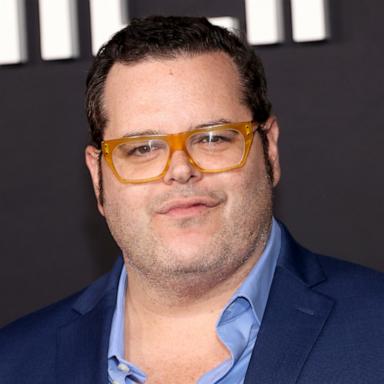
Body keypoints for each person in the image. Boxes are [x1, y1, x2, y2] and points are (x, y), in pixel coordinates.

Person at [1, 15, 383, 384]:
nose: (180, 169)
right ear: (97, 178)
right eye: (142, 148)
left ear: (269, 152)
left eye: (213, 138)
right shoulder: (14, 364)